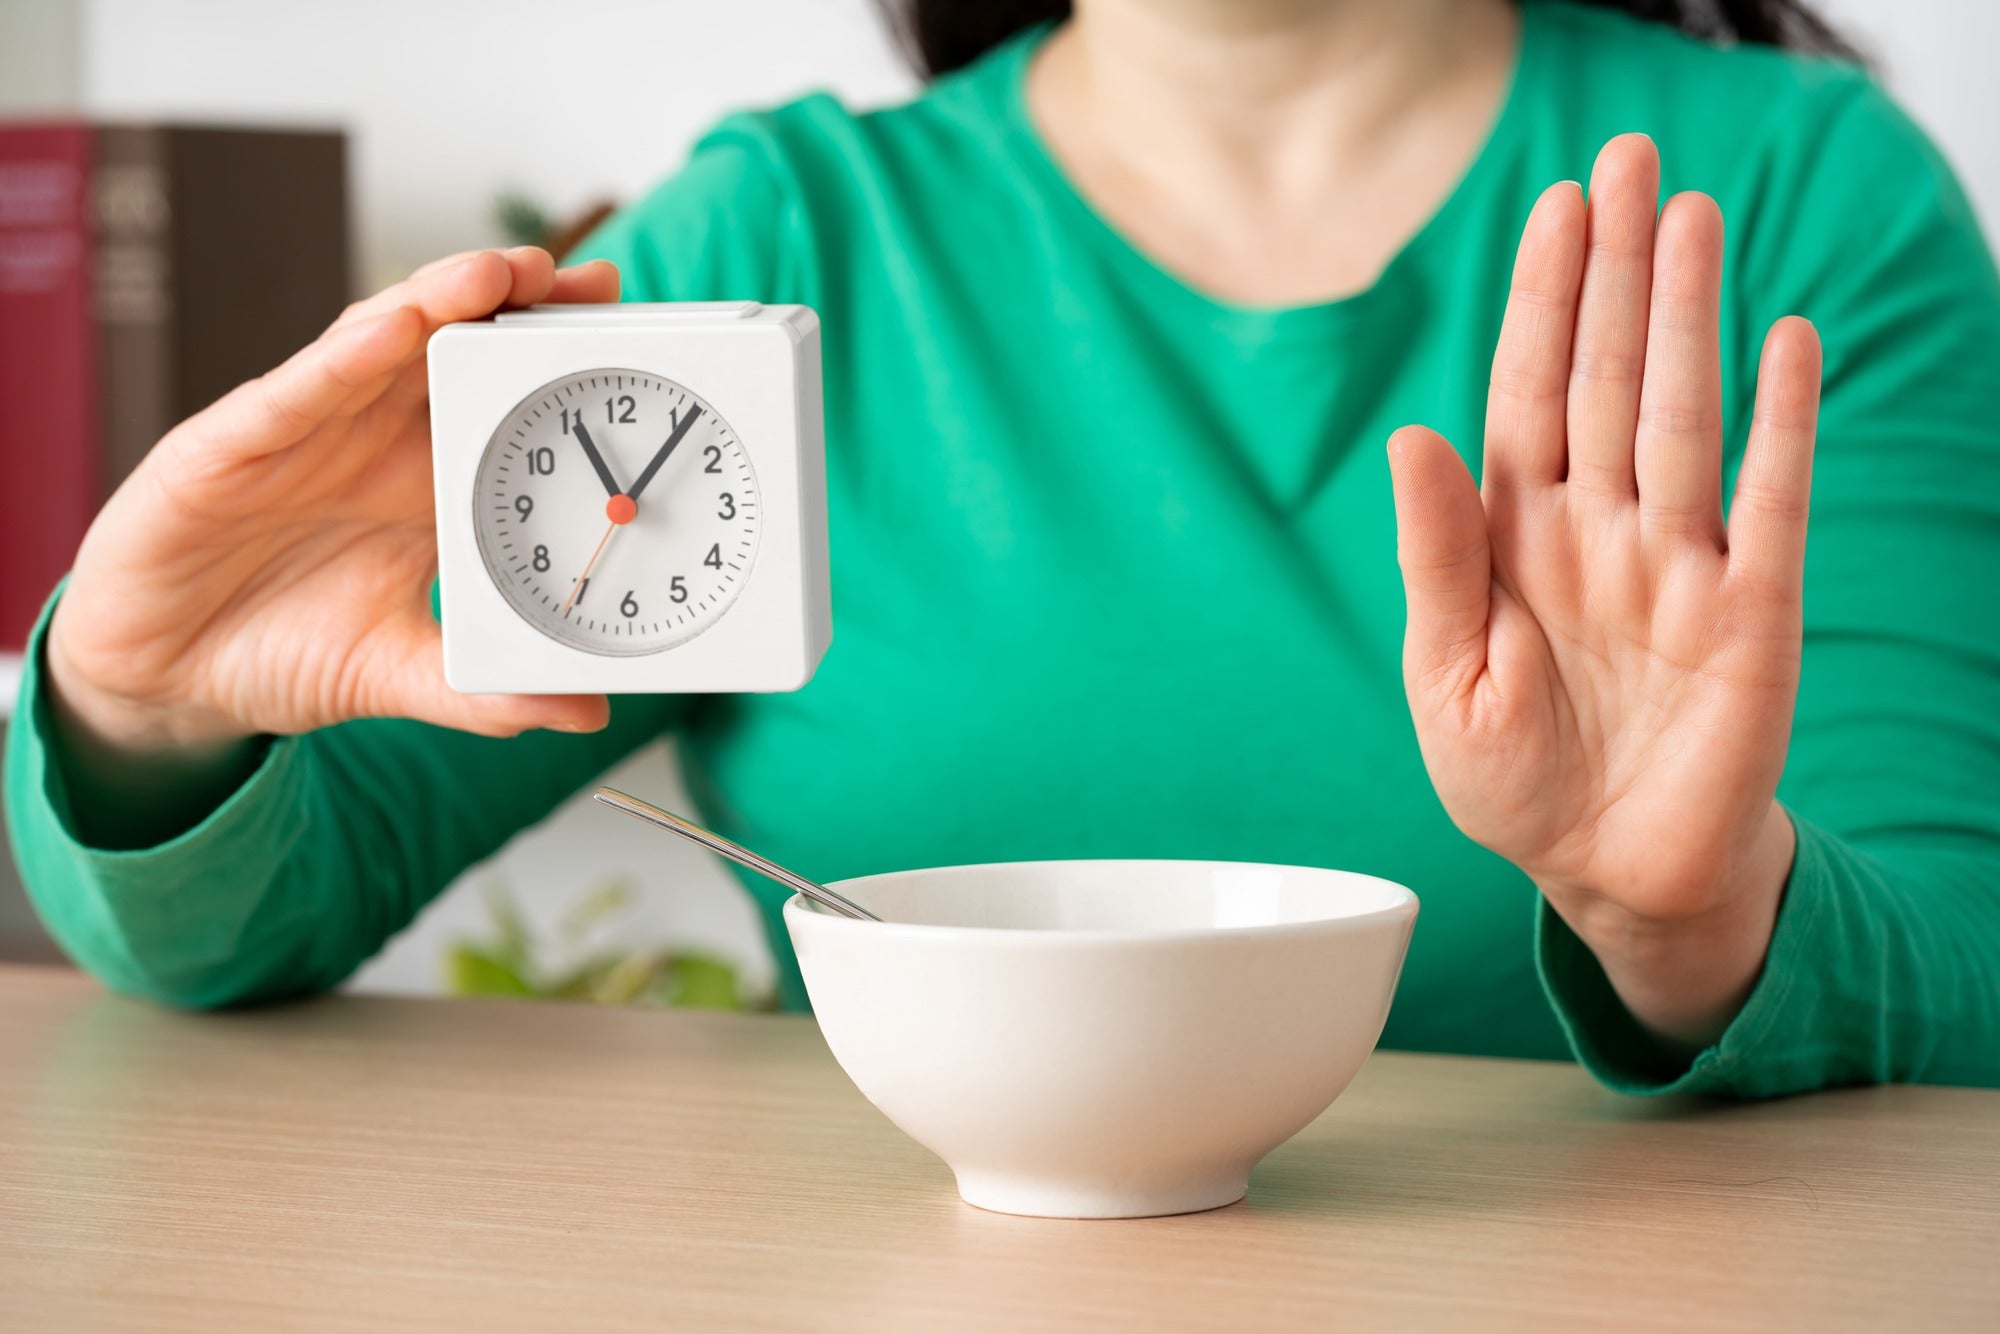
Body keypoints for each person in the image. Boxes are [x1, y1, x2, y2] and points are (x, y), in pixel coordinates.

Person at [7, 0, 1998, 1097]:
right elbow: (238, 930)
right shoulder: (772, 245)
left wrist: (1693, 920)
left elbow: (1964, 986)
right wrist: (139, 704)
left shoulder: (1802, 200)